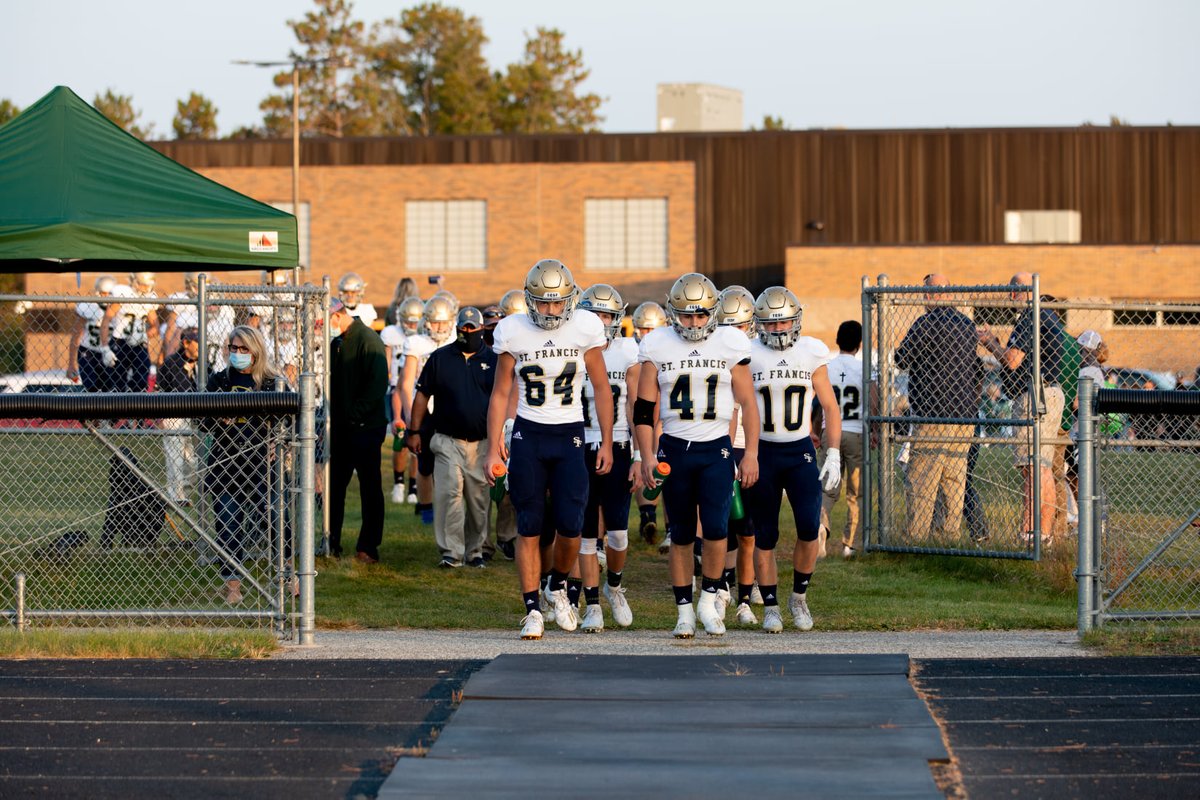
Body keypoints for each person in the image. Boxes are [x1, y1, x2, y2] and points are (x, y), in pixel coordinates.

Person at [485, 260, 614, 640]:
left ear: (570, 301)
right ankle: (531, 610)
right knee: (529, 524)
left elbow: (602, 388)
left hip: (570, 433)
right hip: (529, 433)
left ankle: (556, 583)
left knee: (572, 525)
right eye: (542, 303)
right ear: (529, 301)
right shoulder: (512, 331)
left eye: (557, 303)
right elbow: (500, 393)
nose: (550, 310)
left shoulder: (585, 328)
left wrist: (605, 440)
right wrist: (494, 447)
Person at [634, 273, 760, 638]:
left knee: (719, 529)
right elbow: (643, 410)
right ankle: (683, 610)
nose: (694, 322)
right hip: (674, 448)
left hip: (716, 447)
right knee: (681, 533)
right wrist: (645, 456)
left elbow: (749, 403)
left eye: (701, 315)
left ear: (713, 312)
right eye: (687, 316)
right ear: (674, 314)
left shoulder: (730, 342)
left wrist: (750, 452)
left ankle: (709, 598)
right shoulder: (657, 343)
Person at [745, 286, 841, 633]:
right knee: (764, 535)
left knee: (808, 528)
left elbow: (830, 406)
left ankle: (798, 597)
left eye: (783, 322)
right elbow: (737, 406)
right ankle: (770, 605)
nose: (777, 330)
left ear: (796, 320)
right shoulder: (748, 352)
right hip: (764, 451)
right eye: (770, 324)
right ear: (758, 324)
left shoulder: (812, 351)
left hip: (799, 449)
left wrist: (833, 452)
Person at [978, 272, 1066, 546]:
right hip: (1049, 391)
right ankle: (1043, 534)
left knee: (1033, 466)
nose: (1010, 296)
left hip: (1036, 394)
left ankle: (1031, 532)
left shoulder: (1032, 315)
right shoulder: (1046, 314)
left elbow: (1013, 360)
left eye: (1012, 291)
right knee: (1041, 466)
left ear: (1023, 291)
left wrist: (989, 342)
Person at [407, 307, 498, 568]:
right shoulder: (440, 358)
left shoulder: (493, 360)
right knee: (449, 495)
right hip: (447, 439)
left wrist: (500, 437)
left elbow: (502, 399)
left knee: (479, 500)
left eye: (472, 327)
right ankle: (451, 552)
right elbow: (422, 395)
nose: (467, 331)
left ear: (481, 329)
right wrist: (414, 431)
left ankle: (476, 551)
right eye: (464, 327)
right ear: (457, 328)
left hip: (482, 442)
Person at [203, 325, 287, 604]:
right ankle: (233, 587)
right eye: (233, 348)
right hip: (225, 465)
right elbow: (203, 422)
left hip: (261, 465)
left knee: (276, 520)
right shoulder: (218, 382)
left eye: (243, 349)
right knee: (228, 526)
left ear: (256, 351)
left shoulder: (272, 382)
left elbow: (288, 419)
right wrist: (218, 419)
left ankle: (288, 577)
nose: (237, 354)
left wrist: (276, 441)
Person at [894, 274, 981, 542]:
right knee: (954, 480)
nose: (922, 300)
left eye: (924, 294)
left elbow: (902, 359)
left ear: (931, 295)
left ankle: (917, 538)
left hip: (932, 412)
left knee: (922, 479)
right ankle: (949, 537)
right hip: (964, 416)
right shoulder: (967, 325)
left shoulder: (926, 323)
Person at [576, 284, 640, 632]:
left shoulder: (628, 351)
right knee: (586, 533)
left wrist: (640, 454)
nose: (601, 321)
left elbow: (633, 406)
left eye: (607, 315)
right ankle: (592, 605)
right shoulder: (573, 347)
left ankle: (613, 585)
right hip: (579, 442)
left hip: (616, 443)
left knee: (618, 534)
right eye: (595, 314)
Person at [327, 298, 390, 563]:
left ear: (337, 316)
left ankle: (368, 546)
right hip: (341, 429)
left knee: (370, 487)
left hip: (365, 429)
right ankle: (331, 541)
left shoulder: (368, 340)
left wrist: (353, 417)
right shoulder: (336, 343)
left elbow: (377, 387)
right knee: (334, 488)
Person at [714, 285, 760, 626]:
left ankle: (746, 592)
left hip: (756, 448)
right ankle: (723, 586)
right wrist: (729, 454)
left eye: (739, 325)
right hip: (727, 446)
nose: (734, 333)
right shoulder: (716, 353)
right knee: (725, 526)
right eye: (727, 325)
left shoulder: (762, 354)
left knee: (750, 529)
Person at [400, 295, 456, 524]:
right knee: (424, 464)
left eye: (444, 322)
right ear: (426, 322)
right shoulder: (417, 344)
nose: (440, 327)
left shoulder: (455, 342)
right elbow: (406, 383)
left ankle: (449, 508)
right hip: (423, 411)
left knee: (452, 464)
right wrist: (409, 415)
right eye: (435, 322)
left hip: (449, 408)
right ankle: (427, 511)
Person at [820, 320, 868, 558]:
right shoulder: (864, 369)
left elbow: (819, 402)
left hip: (831, 432)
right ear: (859, 344)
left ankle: (821, 526)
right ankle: (849, 544)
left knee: (828, 487)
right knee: (855, 491)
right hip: (857, 430)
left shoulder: (826, 367)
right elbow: (873, 400)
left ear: (838, 340)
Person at [631, 300, 669, 543]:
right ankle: (647, 514)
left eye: (652, 329)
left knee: (665, 467)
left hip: (668, 417)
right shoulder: (629, 352)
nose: (647, 335)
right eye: (643, 329)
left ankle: (663, 521)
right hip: (640, 415)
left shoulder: (670, 348)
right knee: (643, 463)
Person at [384, 296, 425, 504]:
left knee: (417, 446)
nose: (411, 325)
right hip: (397, 391)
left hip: (419, 394)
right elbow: (395, 379)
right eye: (407, 321)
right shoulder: (392, 335)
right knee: (400, 439)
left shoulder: (422, 341)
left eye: (414, 321)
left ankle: (414, 487)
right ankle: (399, 483)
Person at [158, 327, 201, 504]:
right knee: (174, 457)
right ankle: (176, 495)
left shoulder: (203, 363)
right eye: (197, 342)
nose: (200, 346)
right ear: (186, 343)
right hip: (173, 414)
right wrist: (160, 416)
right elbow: (163, 390)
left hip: (194, 417)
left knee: (192, 459)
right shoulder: (172, 363)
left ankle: (186, 489)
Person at [99, 272, 159, 392]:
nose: (147, 288)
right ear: (135, 282)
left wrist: (142, 336)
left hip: (139, 345)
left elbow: (155, 326)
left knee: (141, 382)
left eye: (149, 285)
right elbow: (106, 321)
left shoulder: (149, 299)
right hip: (119, 343)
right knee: (117, 384)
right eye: (143, 284)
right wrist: (105, 348)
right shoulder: (123, 293)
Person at [67, 275, 121, 392]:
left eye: (108, 294)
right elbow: (76, 336)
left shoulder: (117, 309)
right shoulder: (89, 307)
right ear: (98, 292)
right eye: (103, 293)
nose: (105, 297)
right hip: (88, 351)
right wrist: (71, 363)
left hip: (107, 351)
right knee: (92, 388)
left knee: (110, 388)